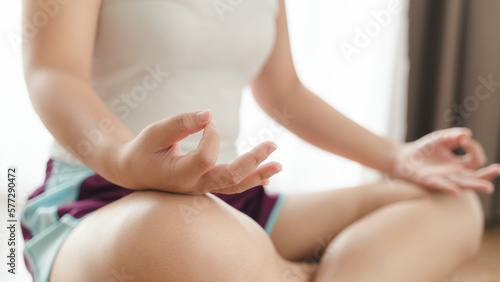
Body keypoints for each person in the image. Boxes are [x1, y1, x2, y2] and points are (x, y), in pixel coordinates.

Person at [20, 0, 500, 281]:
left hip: (231, 200)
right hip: (101, 196)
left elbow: (284, 92)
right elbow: (53, 73)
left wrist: (398, 157)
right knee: (186, 236)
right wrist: (125, 159)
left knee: (452, 203)